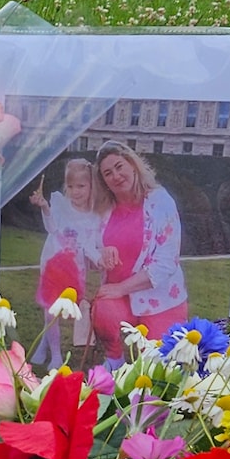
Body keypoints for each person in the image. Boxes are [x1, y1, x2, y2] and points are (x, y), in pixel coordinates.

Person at [89, 143, 190, 349]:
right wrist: (100, 253)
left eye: (119, 167)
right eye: (108, 173)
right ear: (104, 181)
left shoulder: (160, 201)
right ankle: (113, 360)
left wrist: (121, 288)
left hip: (159, 298)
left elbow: (166, 262)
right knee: (104, 312)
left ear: (133, 165)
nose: (116, 176)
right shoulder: (102, 208)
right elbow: (86, 245)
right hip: (118, 297)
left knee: (161, 362)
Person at [35, 157, 106, 345]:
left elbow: (89, 244)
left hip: (75, 270)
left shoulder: (94, 217)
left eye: (81, 186)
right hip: (53, 263)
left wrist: (99, 259)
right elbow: (51, 228)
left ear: (91, 186)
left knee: (67, 307)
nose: (75, 192)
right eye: (71, 186)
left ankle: (44, 345)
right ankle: (55, 354)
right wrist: (45, 208)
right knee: (50, 309)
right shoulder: (60, 205)